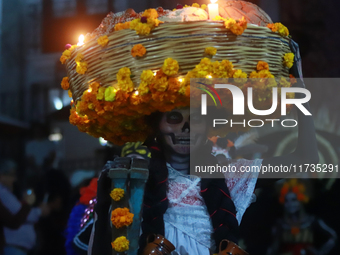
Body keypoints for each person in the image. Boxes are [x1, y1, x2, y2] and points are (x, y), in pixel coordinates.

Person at [60, 3, 318, 254]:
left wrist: (299, 88)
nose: (185, 128)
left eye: (195, 119)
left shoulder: (232, 175)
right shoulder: (127, 178)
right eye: (173, 117)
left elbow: (306, 160)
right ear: (155, 125)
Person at [267, 179, 337, 255]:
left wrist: (320, 252)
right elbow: (274, 246)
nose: (290, 204)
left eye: (294, 200)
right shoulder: (281, 224)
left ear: (301, 200)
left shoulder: (311, 220)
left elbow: (332, 236)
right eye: (287, 201)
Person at [0, 160, 50, 255]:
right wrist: (32, 206)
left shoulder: (6, 192)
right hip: (13, 248)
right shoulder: (3, 193)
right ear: (1, 175)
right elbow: (15, 220)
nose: (14, 179)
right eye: (11, 175)